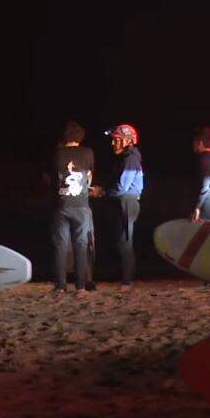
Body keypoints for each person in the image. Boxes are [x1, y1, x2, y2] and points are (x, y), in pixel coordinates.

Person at [51, 122, 95, 294]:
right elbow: (90, 177)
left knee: (60, 245)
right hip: (82, 205)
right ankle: (81, 285)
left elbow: (51, 178)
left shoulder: (57, 155)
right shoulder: (88, 152)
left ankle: (60, 286)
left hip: (62, 205)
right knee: (81, 244)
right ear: (80, 137)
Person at [98, 124, 144, 290]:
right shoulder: (126, 158)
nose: (112, 144)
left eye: (116, 140)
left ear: (127, 141)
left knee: (125, 241)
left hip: (127, 201)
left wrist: (103, 191)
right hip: (124, 201)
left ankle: (127, 282)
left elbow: (122, 187)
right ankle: (125, 279)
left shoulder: (129, 159)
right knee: (122, 241)